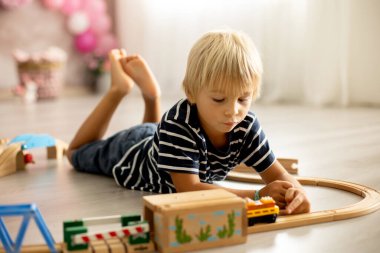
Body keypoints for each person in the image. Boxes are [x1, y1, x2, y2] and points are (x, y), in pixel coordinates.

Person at [67, 30, 310, 215]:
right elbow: (189, 189)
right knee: (75, 154)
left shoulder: (246, 125)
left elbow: (277, 173)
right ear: (191, 93)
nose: (232, 111)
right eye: (218, 99)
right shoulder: (179, 125)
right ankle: (119, 89)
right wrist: (256, 195)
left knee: (157, 135)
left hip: (160, 141)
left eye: (243, 98)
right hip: (133, 153)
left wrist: (296, 192)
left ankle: (152, 96)